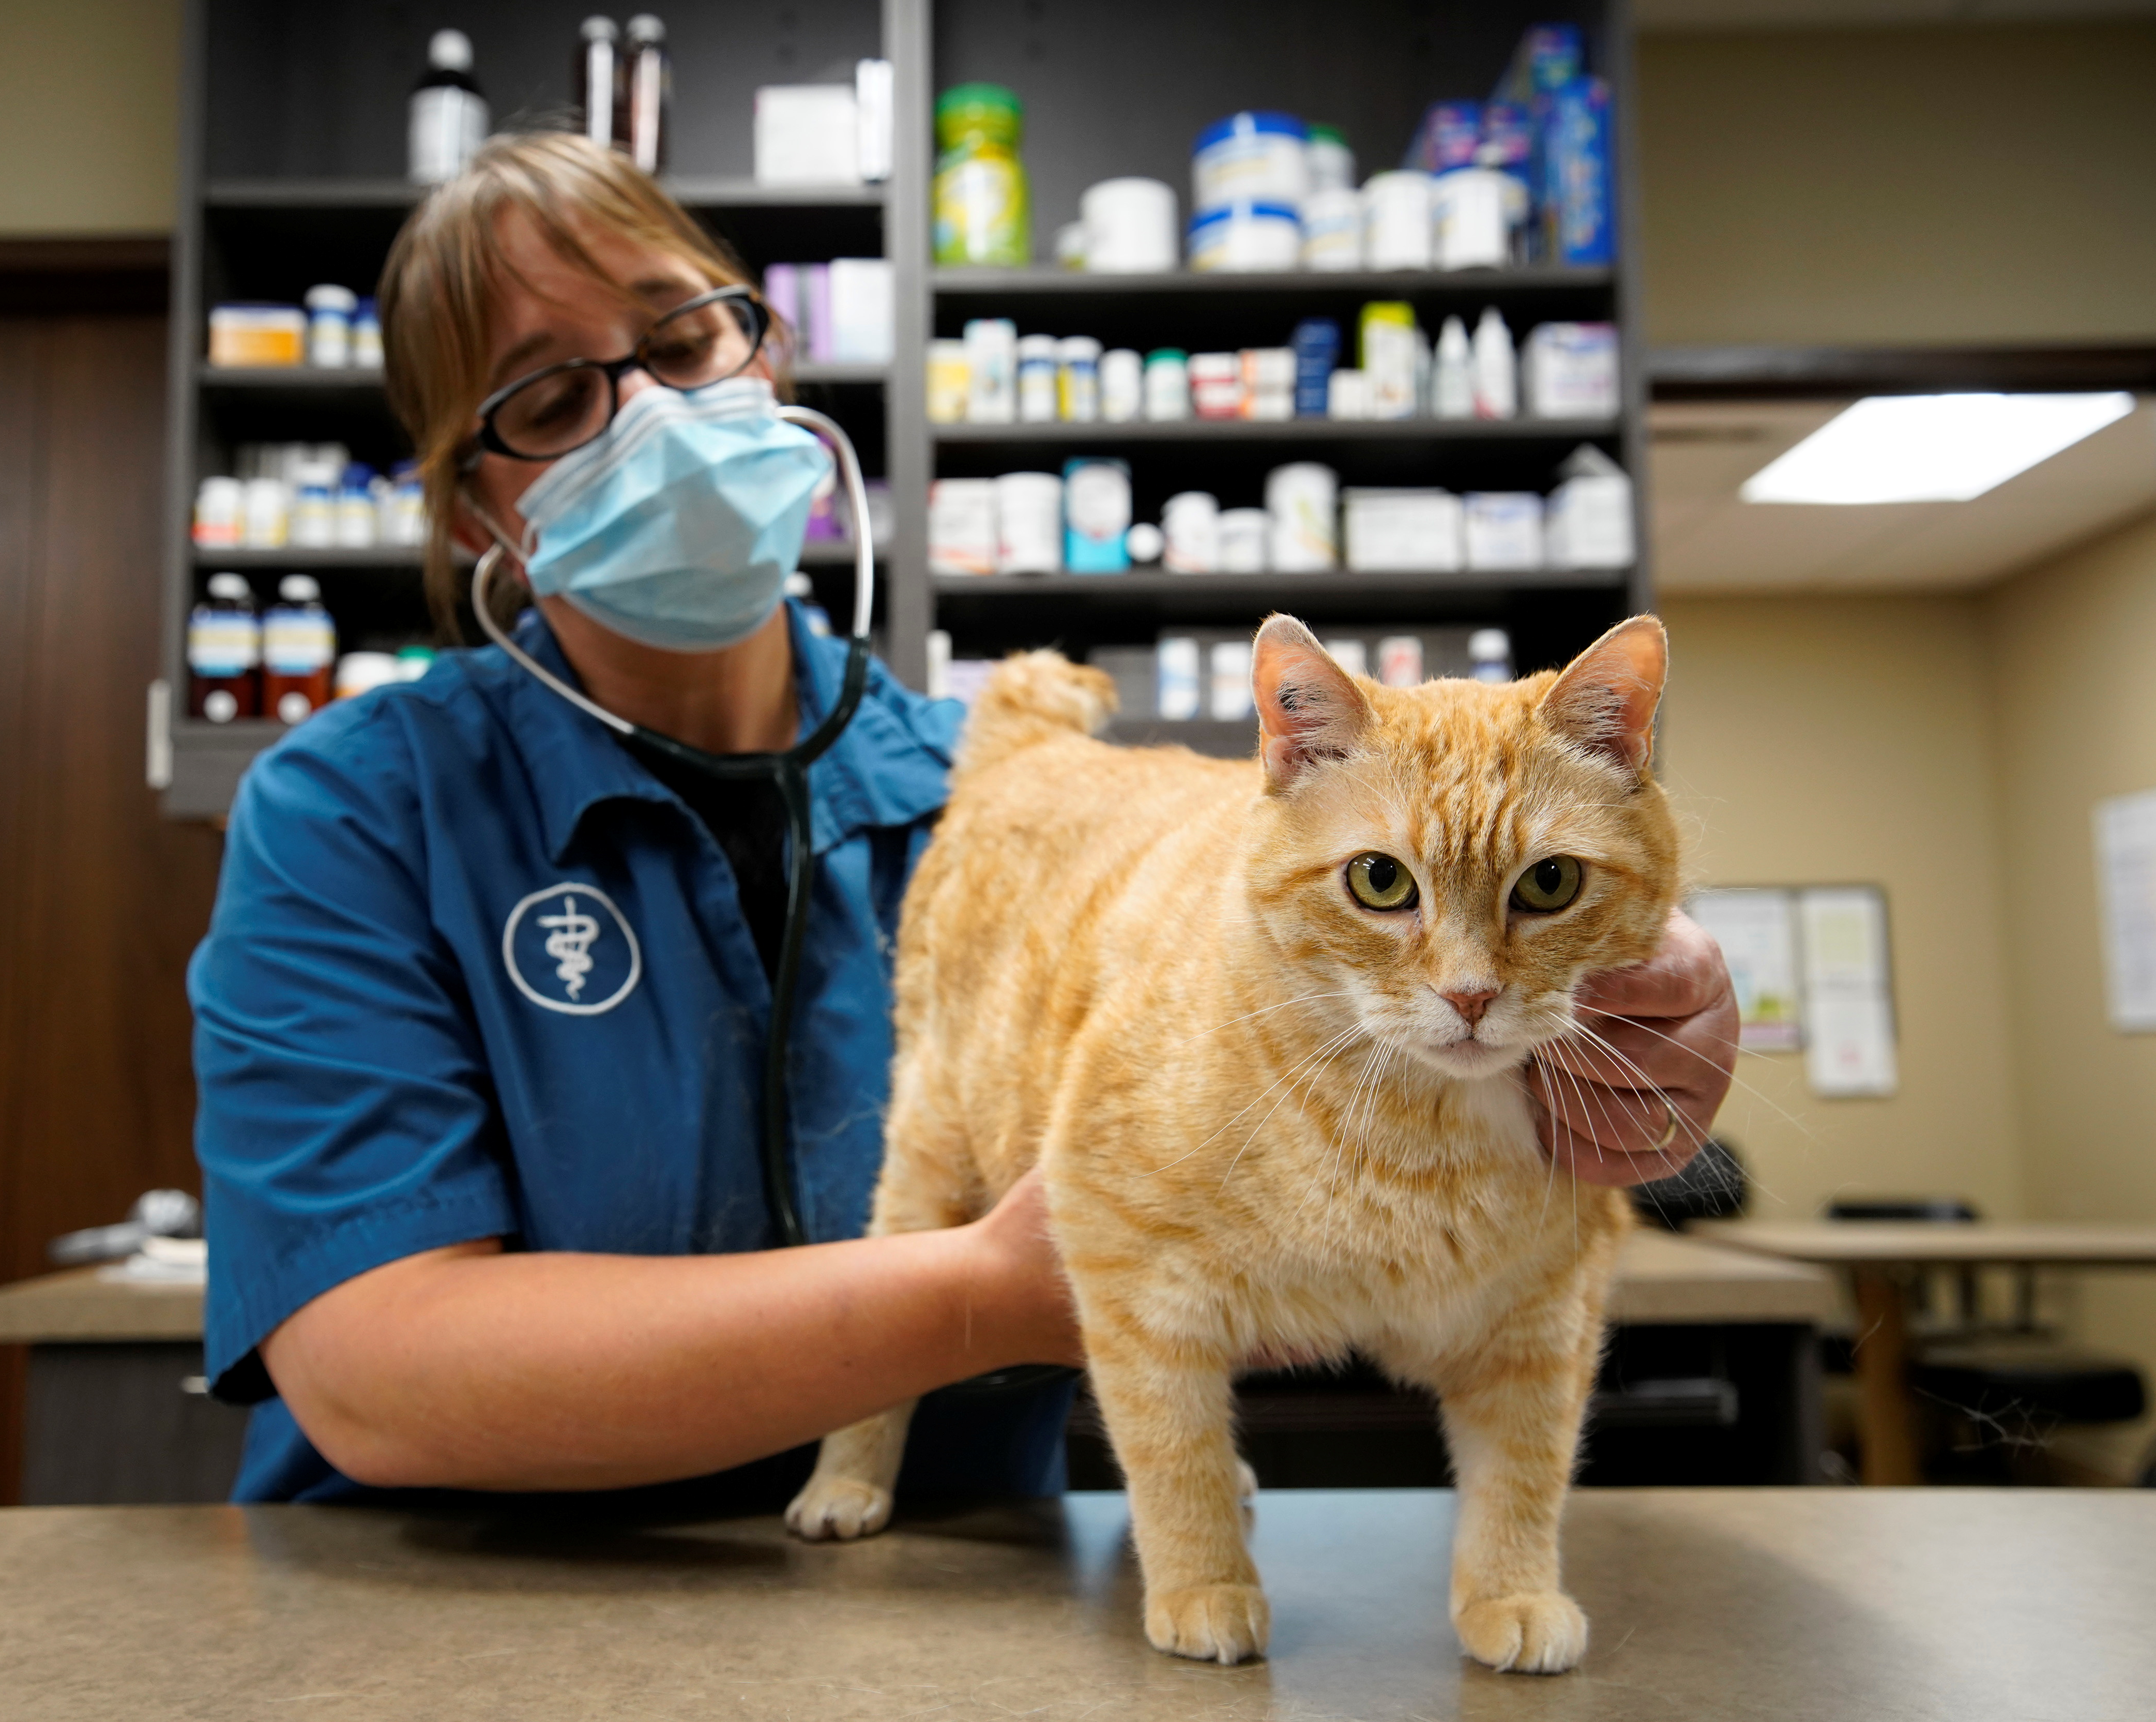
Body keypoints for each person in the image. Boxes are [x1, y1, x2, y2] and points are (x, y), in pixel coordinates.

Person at [190, 132, 1739, 1507]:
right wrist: (996, 1291)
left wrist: (1629, 982)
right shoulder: (356, 811)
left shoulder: (1004, 794)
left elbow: (1268, 889)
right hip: (437, 1619)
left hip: (934, 1601)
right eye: (549, 392)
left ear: (767, 360)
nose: (652, 408)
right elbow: (380, 1369)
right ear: (479, 515)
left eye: (682, 333)